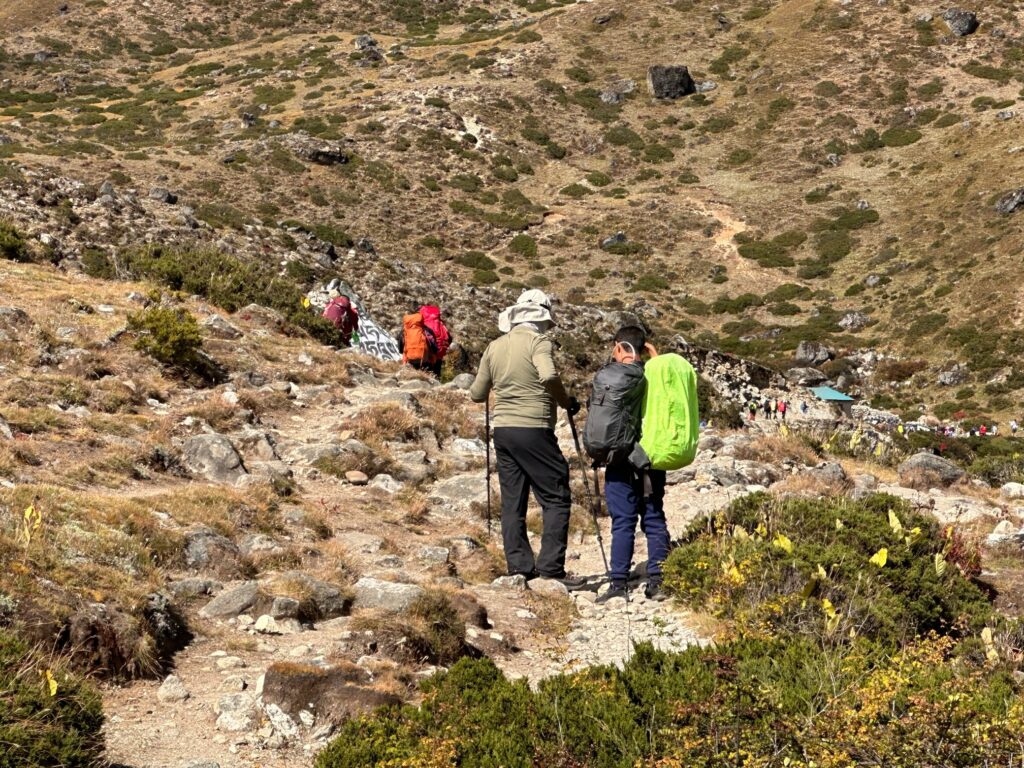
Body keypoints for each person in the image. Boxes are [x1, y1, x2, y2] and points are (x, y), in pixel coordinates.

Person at [469, 292, 584, 589]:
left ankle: (519, 567)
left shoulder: (494, 346)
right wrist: (565, 401)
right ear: (541, 318)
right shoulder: (538, 342)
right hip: (534, 428)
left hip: (504, 431)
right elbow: (547, 375)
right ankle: (551, 569)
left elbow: (477, 394)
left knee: (512, 501)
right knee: (556, 496)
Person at [399, 304, 451, 377]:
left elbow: (400, 347)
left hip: (410, 358)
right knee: (433, 375)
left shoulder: (404, 331)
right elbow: (435, 343)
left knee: (414, 376)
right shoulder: (428, 329)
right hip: (426, 358)